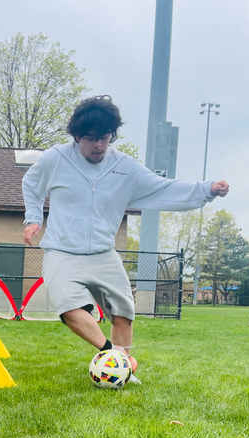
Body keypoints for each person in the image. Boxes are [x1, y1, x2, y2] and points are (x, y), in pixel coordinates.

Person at [22, 95, 229, 383]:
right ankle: (115, 358)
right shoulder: (56, 159)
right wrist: (33, 218)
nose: (99, 145)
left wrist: (207, 189)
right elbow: (31, 184)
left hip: (103, 254)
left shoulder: (124, 167)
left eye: (105, 137)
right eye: (91, 138)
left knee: (124, 312)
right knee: (69, 308)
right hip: (62, 252)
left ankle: (120, 373)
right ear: (77, 136)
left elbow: (163, 188)